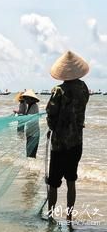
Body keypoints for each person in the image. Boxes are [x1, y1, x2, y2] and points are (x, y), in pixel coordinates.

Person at [46, 51, 90, 223]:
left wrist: (53, 127)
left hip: (59, 144)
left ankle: (50, 216)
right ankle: (69, 216)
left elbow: (51, 115)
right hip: (76, 142)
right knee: (71, 181)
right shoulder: (84, 88)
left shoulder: (58, 91)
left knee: (54, 183)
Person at [22, 89, 40, 158]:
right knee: (28, 154)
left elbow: (31, 119)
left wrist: (23, 118)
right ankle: (29, 168)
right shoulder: (29, 106)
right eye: (25, 98)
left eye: (27, 98)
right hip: (30, 133)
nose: (25, 99)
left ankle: (32, 168)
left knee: (31, 155)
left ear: (31, 99)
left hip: (34, 134)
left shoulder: (34, 106)